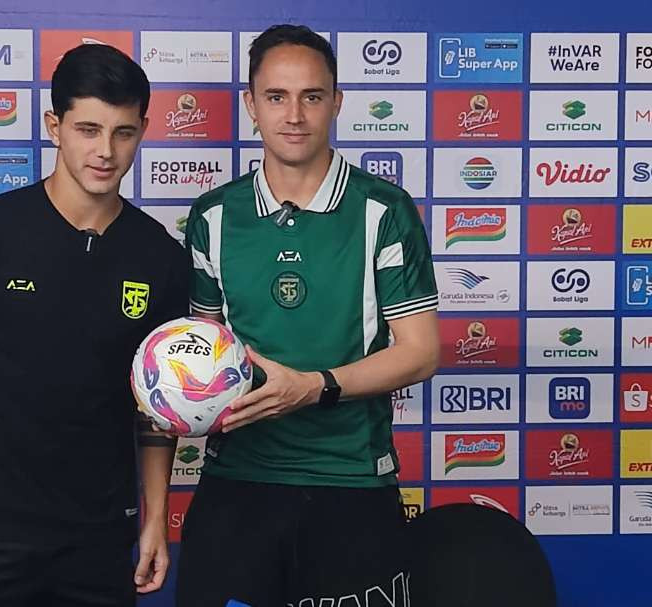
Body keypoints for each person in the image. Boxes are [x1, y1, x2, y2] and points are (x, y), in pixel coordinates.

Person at [0, 43, 189, 607]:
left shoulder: (161, 257)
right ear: (55, 126)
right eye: (88, 129)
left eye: (124, 133)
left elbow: (159, 408)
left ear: (143, 130)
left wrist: (156, 518)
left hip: (100, 539)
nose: (105, 151)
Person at [176, 24, 440, 607]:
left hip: (351, 481)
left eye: (311, 96)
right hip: (237, 482)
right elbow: (204, 347)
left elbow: (421, 351)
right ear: (251, 105)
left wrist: (314, 387)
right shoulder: (213, 216)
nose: (293, 115)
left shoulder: (384, 210)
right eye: (276, 97)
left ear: (337, 101)